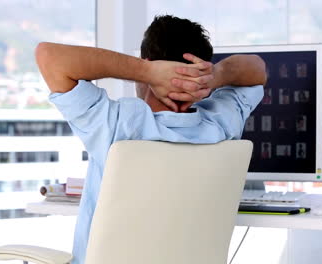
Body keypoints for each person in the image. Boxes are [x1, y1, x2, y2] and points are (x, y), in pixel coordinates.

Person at [35, 15, 266, 264]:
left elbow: (48, 55)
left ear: (147, 64)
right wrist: (215, 75)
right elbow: (258, 69)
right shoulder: (221, 123)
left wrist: (145, 72)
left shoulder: (119, 124)